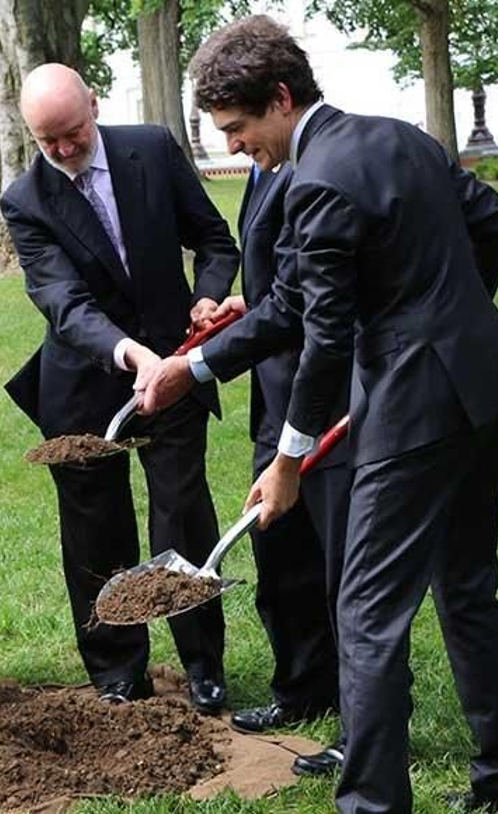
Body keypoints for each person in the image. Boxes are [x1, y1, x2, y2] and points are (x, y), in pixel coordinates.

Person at [176, 17, 498, 813]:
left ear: (280, 97)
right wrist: (450, 318)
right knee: (467, 588)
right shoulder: (402, 138)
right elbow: (496, 224)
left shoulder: (316, 182)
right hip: (487, 384)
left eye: (239, 129)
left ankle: (372, 805)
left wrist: (287, 461)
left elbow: (324, 336)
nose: (236, 147)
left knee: (368, 615)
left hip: (417, 413)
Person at [0, 64, 241, 712]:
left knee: (181, 512)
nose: (64, 151)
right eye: (47, 142)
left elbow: (214, 239)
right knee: (94, 527)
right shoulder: (26, 200)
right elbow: (62, 301)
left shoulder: (154, 149)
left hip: (177, 362)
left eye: (72, 134)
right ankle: (116, 669)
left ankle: (202, 665)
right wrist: (127, 352)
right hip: (84, 381)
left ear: (94, 107)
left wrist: (209, 295)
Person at [168, 158, 356, 776]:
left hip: (326, 389)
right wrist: (247, 301)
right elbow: (286, 281)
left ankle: (364, 725)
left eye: (235, 127)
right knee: (279, 547)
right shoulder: (264, 166)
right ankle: (302, 688)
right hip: (276, 391)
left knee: (345, 569)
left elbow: (312, 302)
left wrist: (196, 368)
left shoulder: (313, 167)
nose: (230, 141)